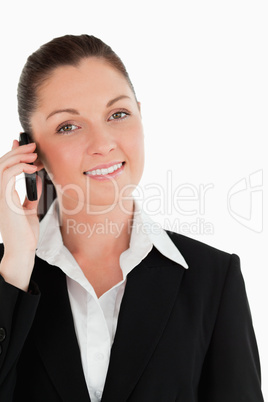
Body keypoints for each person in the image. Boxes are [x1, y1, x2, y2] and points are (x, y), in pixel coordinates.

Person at [0, 34, 264, 402]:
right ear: (31, 152)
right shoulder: (7, 278)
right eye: (68, 126)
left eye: (118, 114)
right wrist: (14, 267)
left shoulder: (213, 280)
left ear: (140, 115)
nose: (103, 142)